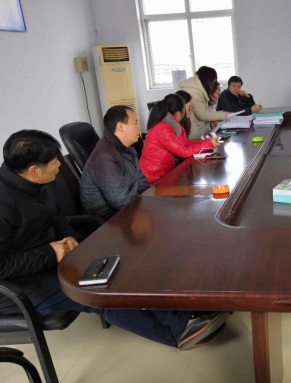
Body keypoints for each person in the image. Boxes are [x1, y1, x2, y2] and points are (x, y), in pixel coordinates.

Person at [0, 130, 228, 349]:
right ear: (33, 171)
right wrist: (51, 253)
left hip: (53, 258)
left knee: (124, 262)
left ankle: (183, 314)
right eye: (54, 162)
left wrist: (69, 237)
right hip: (21, 285)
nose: (59, 164)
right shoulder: (4, 205)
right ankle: (177, 333)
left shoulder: (40, 183)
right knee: (100, 295)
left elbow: (56, 216)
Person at [80, 106, 149, 220]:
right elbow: (120, 202)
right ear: (120, 126)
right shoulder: (105, 157)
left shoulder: (128, 147)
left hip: (129, 207)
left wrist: (149, 198)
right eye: (135, 123)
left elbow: (140, 179)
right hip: (108, 219)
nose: (139, 128)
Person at [139, 94, 219, 186]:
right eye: (187, 109)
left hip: (163, 174)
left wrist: (206, 142)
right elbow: (183, 151)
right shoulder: (162, 128)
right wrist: (209, 144)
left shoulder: (170, 125)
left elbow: (184, 143)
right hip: (153, 179)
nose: (190, 112)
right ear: (178, 114)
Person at [178, 66, 229, 140]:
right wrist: (223, 115)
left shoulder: (198, 89)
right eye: (213, 81)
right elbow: (203, 115)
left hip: (197, 133)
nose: (213, 84)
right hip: (190, 135)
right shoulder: (194, 92)